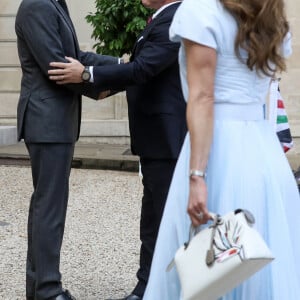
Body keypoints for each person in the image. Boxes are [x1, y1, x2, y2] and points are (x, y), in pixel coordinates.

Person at [142, 0, 300, 299]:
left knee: (210, 261)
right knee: (259, 260)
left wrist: (197, 175)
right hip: (264, 151)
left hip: (217, 148)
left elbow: (202, 97)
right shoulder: (271, 14)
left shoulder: (199, 11)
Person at [48, 1, 187, 299]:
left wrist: (87, 75)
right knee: (152, 217)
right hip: (155, 139)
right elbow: (140, 70)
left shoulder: (175, 19)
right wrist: (102, 84)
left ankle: (164, 288)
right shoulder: (161, 19)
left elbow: (143, 69)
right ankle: (147, 286)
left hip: (166, 138)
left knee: (162, 218)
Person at [15, 0, 119, 299]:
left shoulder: (53, 3)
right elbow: (57, 67)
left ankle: (40, 288)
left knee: (46, 207)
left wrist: (119, 65)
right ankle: (47, 289)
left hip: (54, 122)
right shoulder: (37, 5)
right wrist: (100, 84)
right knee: (49, 209)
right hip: (46, 122)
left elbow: (77, 57)